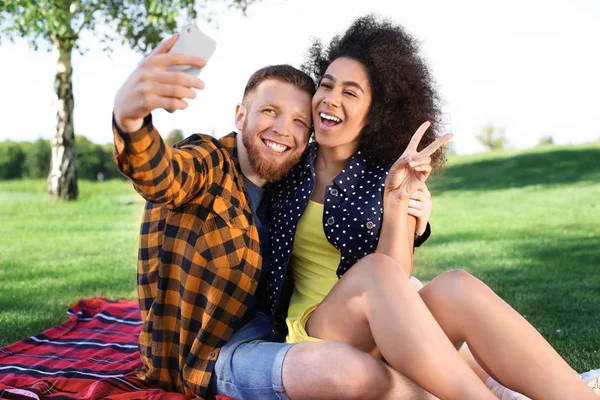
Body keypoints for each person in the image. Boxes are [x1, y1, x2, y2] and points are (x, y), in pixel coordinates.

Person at [267, 15, 599, 400]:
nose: (331, 98)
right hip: (319, 326)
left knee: (456, 285)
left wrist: (396, 204)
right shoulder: (288, 164)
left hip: (389, 328)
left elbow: (394, 277)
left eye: (350, 92)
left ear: (376, 112)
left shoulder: (392, 176)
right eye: (326, 85)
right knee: (374, 271)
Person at [112, 33, 440, 400]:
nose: (284, 130)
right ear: (240, 115)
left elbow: (352, 221)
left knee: (431, 301)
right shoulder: (207, 164)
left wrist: (415, 220)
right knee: (349, 369)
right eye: (270, 111)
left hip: (278, 333)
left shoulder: (288, 179)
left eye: (300, 121)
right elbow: (161, 174)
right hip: (211, 355)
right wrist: (130, 119)